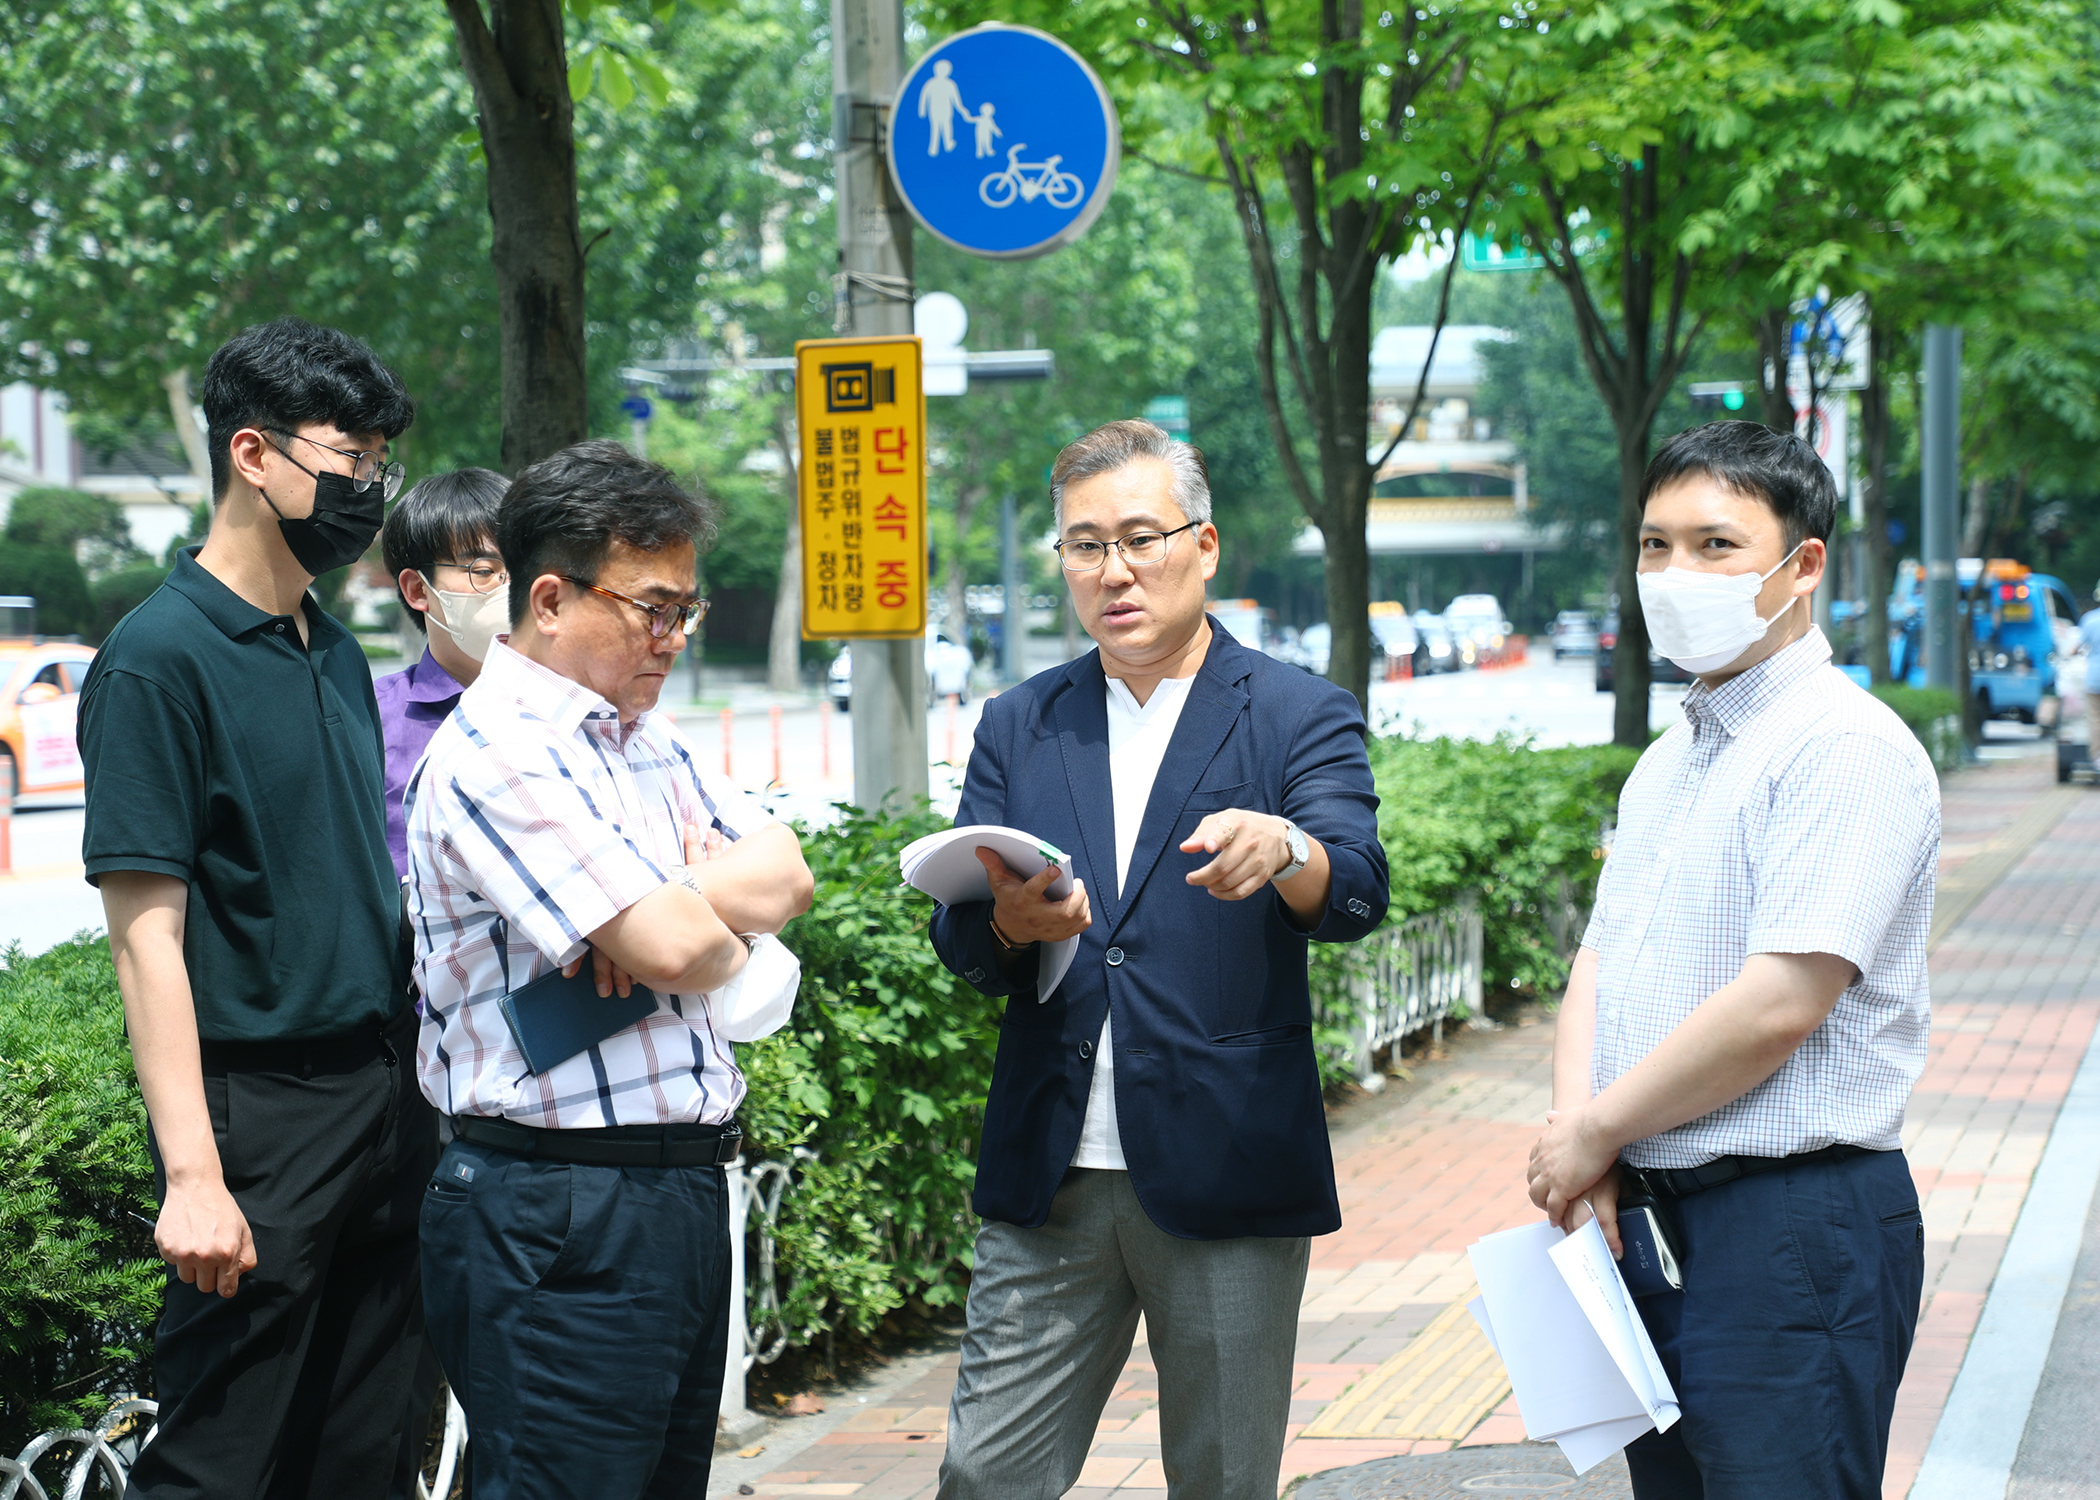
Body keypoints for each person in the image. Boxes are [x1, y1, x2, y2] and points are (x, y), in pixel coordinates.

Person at [926, 419, 1390, 1500]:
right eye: (1085, 546)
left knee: (1224, 1482)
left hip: (1227, 1168)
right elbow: (960, 929)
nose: (1114, 570)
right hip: (1052, 1177)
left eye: (1141, 537)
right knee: (984, 1476)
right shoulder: (1020, 722)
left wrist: (1287, 849)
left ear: (1206, 545)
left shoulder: (1293, 713)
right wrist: (1008, 929)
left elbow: (1358, 883)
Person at [1526, 420, 1939, 1499]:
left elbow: (1781, 1002)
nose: (1674, 574)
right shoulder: (1671, 759)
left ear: (1801, 566)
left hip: (1794, 1227)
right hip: (1651, 1211)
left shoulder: (1843, 748)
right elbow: (1600, 961)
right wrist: (1587, 1146)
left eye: (1714, 546)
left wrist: (1600, 1128)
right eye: (1655, 545)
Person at [406, 439, 814, 1500]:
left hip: (674, 1191)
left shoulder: (643, 740)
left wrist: (657, 897)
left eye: (686, 609)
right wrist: (668, 911)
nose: (671, 637)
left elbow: (786, 875)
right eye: (652, 607)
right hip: (556, 1206)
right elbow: (682, 948)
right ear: (550, 596)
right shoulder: (497, 749)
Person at [77, 316, 432, 1500]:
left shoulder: (331, 647)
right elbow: (145, 939)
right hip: (259, 1120)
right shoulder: (156, 660)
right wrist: (194, 1173)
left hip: (383, 1096)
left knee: (362, 1454)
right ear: (253, 454)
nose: (367, 487)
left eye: (381, 461)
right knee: (217, 1463)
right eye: (349, 456)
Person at [375, 467, 511, 878]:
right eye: (484, 571)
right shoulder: (369, 721)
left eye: (523, 567)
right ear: (418, 590)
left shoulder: (580, 708)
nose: (510, 587)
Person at [2078, 583, 2100, 766]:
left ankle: (2098, 758)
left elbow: (2076, 647)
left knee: (2095, 718)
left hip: (2094, 678)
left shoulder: (2090, 619)